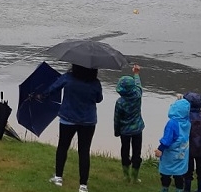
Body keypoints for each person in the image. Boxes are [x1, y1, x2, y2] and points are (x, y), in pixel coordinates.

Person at [42, 64, 103, 192]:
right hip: (88, 121)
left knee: (63, 147)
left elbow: (52, 88)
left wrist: (41, 96)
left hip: (67, 118)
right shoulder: (95, 83)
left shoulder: (68, 78)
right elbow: (99, 99)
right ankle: (83, 186)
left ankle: (58, 178)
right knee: (84, 151)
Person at [114, 64, 145, 184]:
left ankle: (126, 176)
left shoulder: (120, 102)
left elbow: (116, 119)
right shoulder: (138, 95)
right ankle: (135, 177)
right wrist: (136, 73)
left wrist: (117, 131)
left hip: (124, 131)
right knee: (137, 152)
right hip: (137, 129)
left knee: (125, 151)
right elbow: (138, 85)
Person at [155, 98, 192, 192]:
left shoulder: (172, 123)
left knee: (166, 175)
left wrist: (160, 149)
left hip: (170, 156)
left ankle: (165, 189)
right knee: (179, 176)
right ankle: (179, 190)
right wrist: (181, 101)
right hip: (181, 156)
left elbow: (167, 139)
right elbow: (185, 112)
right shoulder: (187, 122)